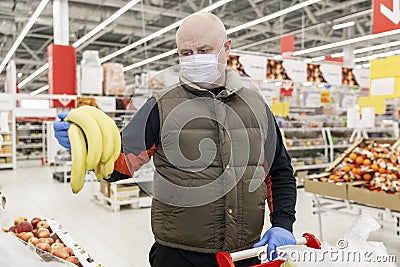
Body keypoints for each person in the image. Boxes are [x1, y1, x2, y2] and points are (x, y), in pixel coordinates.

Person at [54, 12, 296, 267]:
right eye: (186, 53)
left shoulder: (256, 106)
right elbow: (120, 165)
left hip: (245, 255)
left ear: (227, 48)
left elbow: (279, 172)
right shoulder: (160, 107)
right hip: (179, 255)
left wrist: (282, 223)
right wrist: (87, 144)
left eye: (203, 50)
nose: (194, 59)